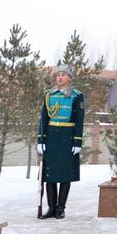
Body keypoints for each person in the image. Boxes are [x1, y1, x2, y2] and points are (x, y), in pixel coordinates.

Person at [37, 63, 84, 220]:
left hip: (67, 137)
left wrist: (77, 142)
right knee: (49, 175)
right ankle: (51, 207)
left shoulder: (77, 95)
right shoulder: (48, 95)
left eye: (63, 75)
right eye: (58, 75)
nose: (60, 77)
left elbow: (79, 120)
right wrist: (41, 140)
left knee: (65, 175)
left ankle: (60, 208)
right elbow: (44, 119)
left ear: (69, 78)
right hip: (51, 137)